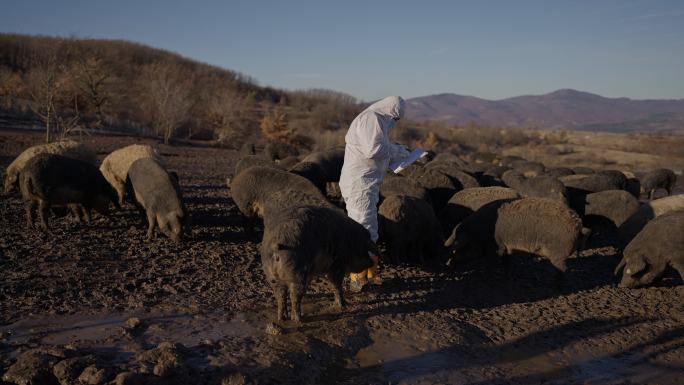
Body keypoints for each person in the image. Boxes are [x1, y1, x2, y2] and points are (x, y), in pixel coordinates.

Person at [339, 96, 410, 292]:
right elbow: (373, 149)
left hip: (365, 182)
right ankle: (357, 276)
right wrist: (397, 150)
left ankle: (369, 273)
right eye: (394, 119)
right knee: (363, 228)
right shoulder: (373, 118)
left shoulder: (374, 119)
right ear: (390, 112)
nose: (394, 123)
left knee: (368, 227)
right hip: (360, 183)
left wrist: (394, 156)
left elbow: (373, 150)